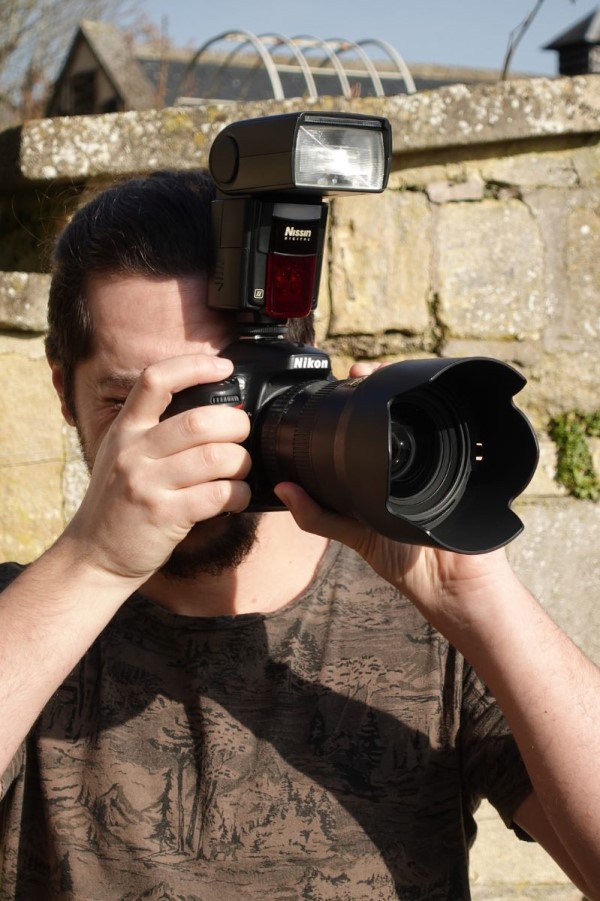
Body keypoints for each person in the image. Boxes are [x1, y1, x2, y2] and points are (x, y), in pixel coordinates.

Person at [0, 170, 598, 901]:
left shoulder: (430, 627)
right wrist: (94, 563)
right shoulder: (26, 624)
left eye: (228, 395)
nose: (196, 440)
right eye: (136, 402)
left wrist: (476, 594)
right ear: (63, 392)